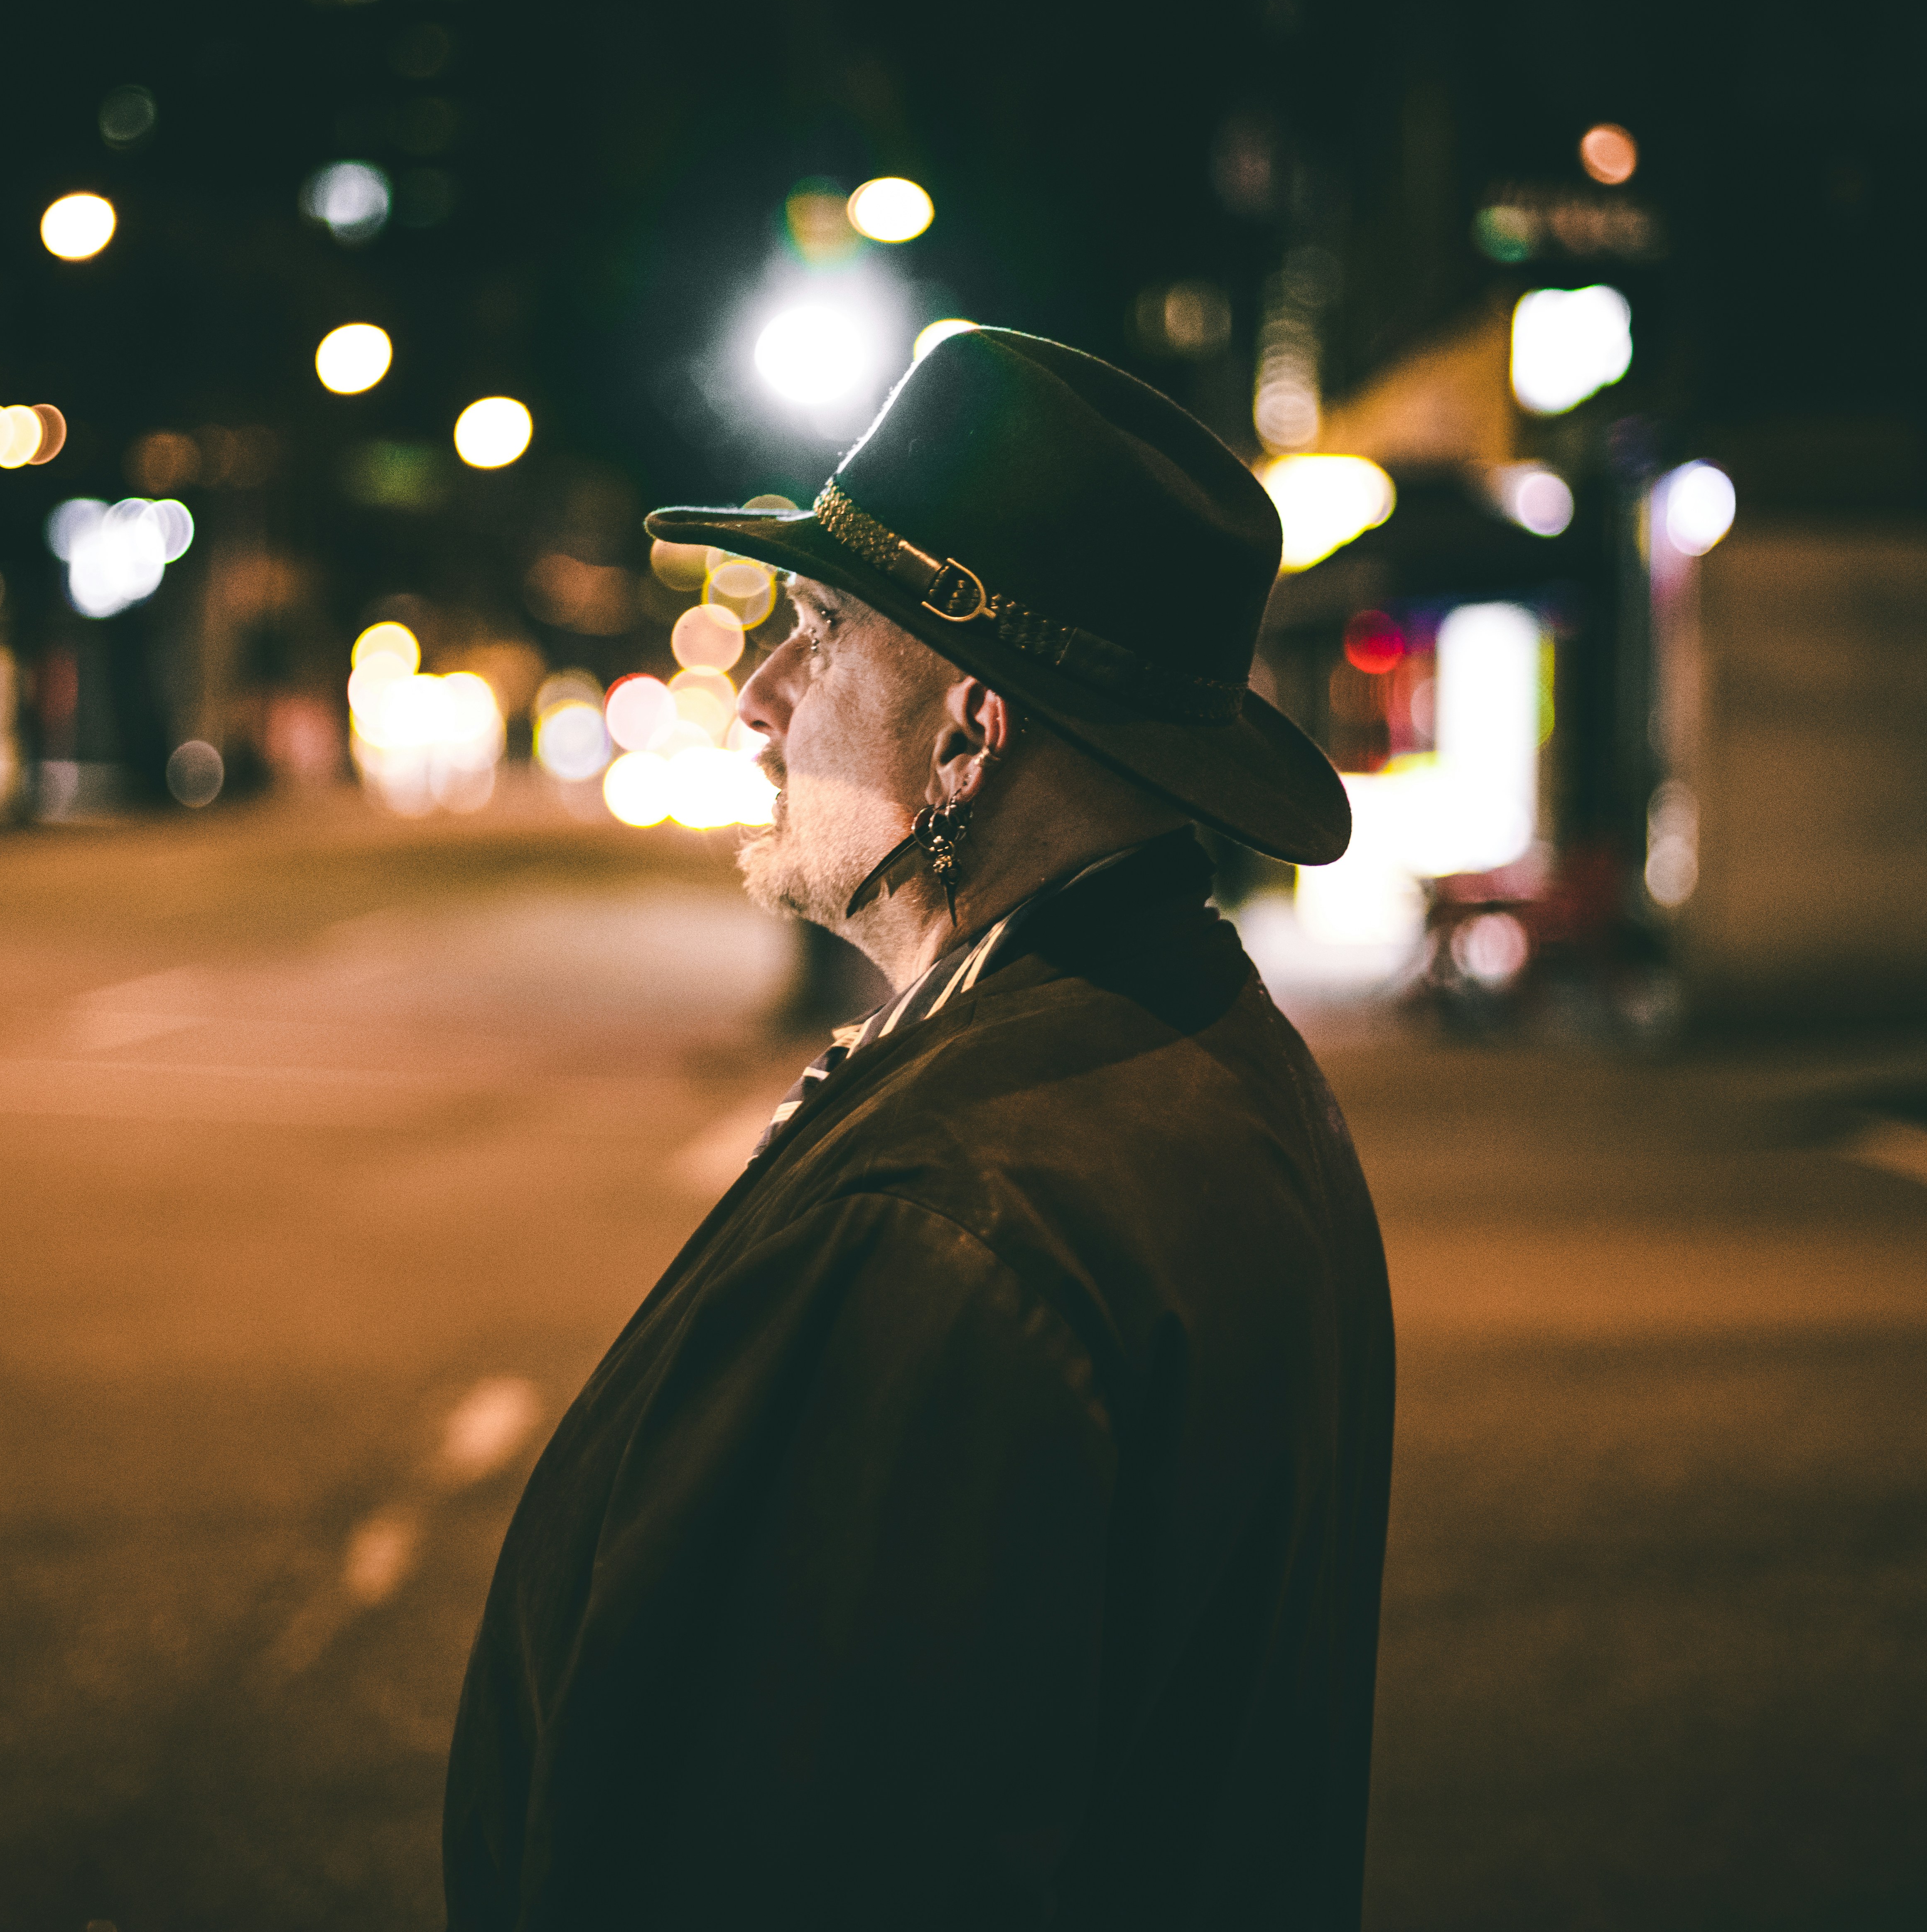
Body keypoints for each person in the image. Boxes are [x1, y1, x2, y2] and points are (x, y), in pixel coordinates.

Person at [444, 328, 1395, 1930]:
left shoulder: (951, 1216)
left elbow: (798, 1846)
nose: (759, 698)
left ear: (966, 730)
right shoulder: (1208, 1053)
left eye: (819, 629)